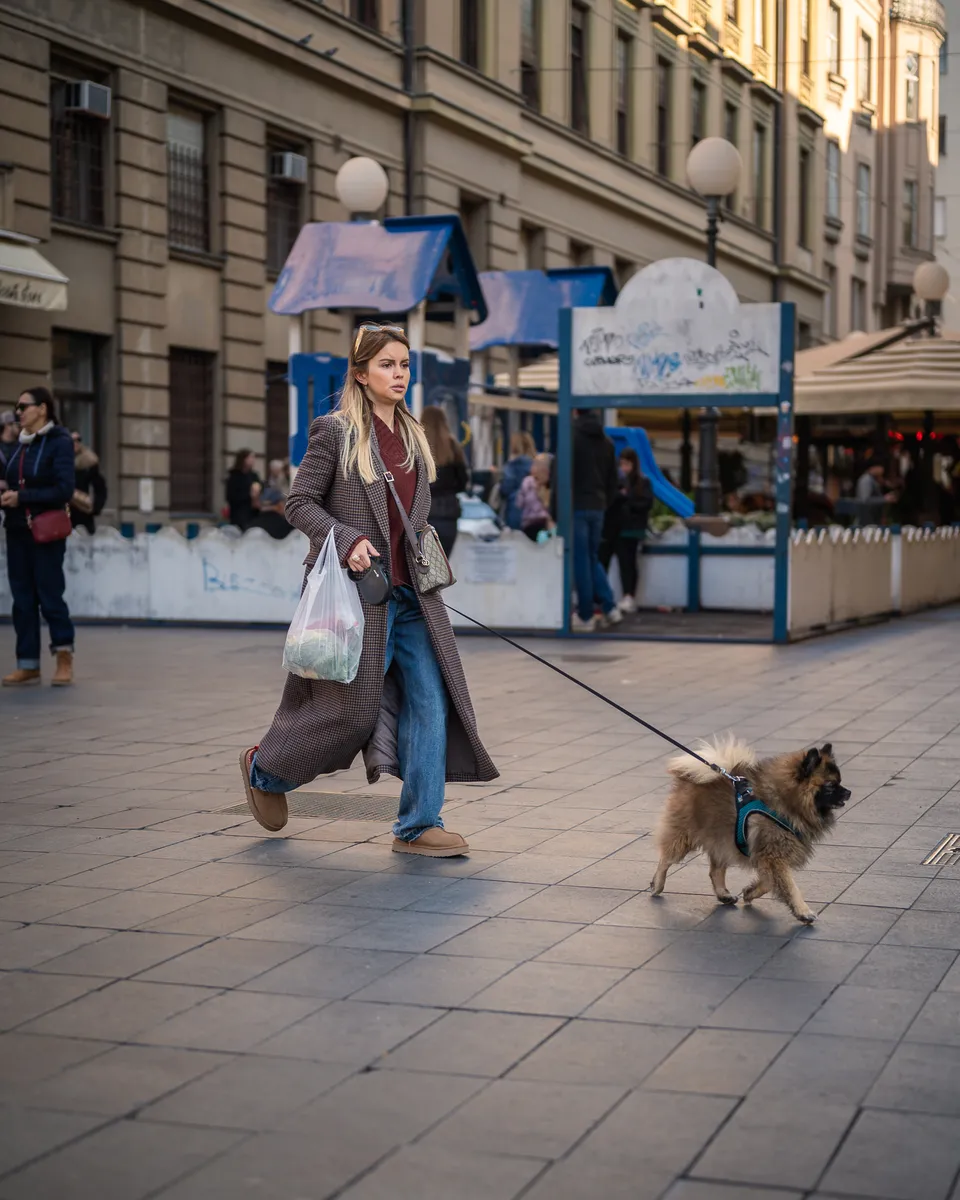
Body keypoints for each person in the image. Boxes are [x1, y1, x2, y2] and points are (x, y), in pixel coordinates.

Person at [240, 323, 497, 855]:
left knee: (432, 703)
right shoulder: (333, 432)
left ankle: (418, 825)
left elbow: (412, 519)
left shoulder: (414, 434)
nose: (398, 374)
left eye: (404, 365)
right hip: (355, 598)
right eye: (386, 365)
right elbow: (299, 503)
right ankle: (265, 770)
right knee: (347, 713)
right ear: (359, 373)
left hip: (413, 600)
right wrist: (348, 537)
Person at [1, 387, 76, 687]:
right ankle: (28, 664)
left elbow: (63, 490)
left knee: (49, 595)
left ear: (42, 409)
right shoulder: (21, 444)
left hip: (45, 531)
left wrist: (23, 497)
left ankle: (64, 657)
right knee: (22, 600)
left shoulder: (59, 442)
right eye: (17, 407)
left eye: (23, 406)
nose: (18, 412)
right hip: (17, 530)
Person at [562, 409, 621, 632]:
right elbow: (613, 481)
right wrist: (604, 501)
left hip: (576, 505)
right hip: (598, 506)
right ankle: (609, 605)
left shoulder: (571, 438)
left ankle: (586, 614)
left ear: (575, 411)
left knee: (580, 560)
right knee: (592, 557)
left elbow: (563, 474)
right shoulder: (606, 442)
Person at [600, 447, 653, 613]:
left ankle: (627, 595)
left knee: (627, 562)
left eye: (627, 464)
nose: (624, 468)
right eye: (622, 464)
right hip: (620, 527)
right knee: (615, 561)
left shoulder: (641, 482)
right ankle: (615, 596)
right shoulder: (628, 482)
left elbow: (645, 503)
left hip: (629, 528)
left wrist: (626, 501)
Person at [421, 404, 468, 558]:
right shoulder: (453, 446)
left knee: (424, 566)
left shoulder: (418, 445)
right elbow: (463, 482)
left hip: (424, 514)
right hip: (449, 514)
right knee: (443, 567)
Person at [69, 431, 107, 533]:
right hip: (65, 511)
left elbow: (100, 488)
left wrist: (95, 508)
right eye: (72, 440)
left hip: (83, 511)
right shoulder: (61, 461)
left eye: (78, 440)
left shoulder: (89, 461)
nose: (75, 443)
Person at [499, 431, 536, 530]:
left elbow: (506, 488)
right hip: (535, 513)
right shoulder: (536, 465)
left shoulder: (512, 466)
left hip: (514, 510)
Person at [517, 453, 554, 542]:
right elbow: (519, 503)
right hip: (530, 525)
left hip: (544, 525)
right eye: (534, 465)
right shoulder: (528, 483)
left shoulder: (551, 486)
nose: (534, 469)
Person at [226, 449, 261, 530]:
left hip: (253, 512)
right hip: (239, 512)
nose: (252, 460)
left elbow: (260, 486)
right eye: (250, 458)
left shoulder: (254, 475)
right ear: (243, 459)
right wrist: (249, 494)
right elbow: (231, 496)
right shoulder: (235, 476)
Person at [854, 459, 895, 526]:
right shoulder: (866, 480)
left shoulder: (874, 480)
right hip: (866, 520)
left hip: (873, 519)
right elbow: (865, 500)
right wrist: (884, 499)